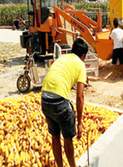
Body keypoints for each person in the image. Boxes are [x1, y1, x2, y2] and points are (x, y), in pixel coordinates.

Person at [41, 38, 88, 167]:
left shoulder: (62, 58)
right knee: (68, 138)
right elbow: (80, 96)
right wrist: (79, 123)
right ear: (83, 56)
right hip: (59, 102)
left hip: (44, 99)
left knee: (55, 136)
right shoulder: (80, 64)